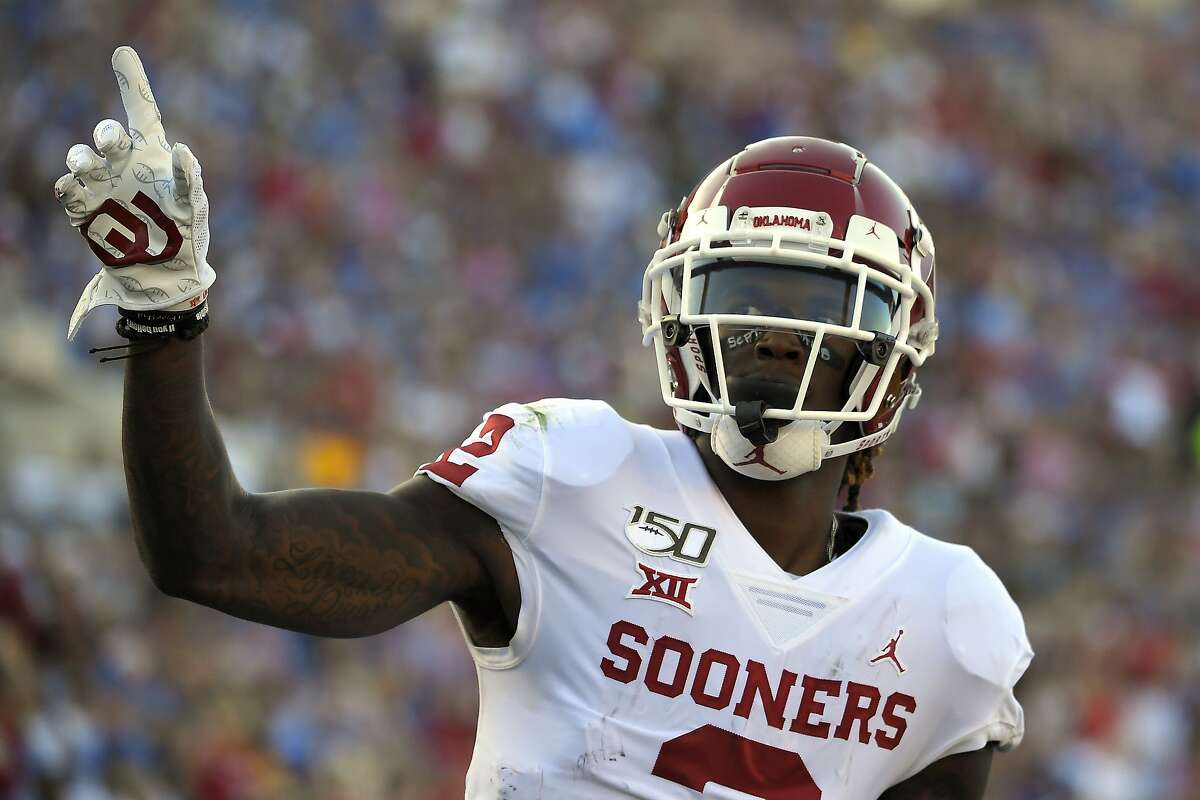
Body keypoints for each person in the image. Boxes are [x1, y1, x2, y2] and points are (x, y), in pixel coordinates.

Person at [55, 47, 1032, 799]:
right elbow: (213, 550)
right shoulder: (573, 476)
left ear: (895, 354)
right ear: (681, 315)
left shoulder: (950, 621)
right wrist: (165, 315)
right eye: (747, 302)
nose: (775, 341)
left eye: (814, 313)